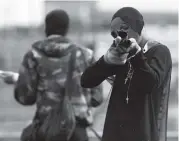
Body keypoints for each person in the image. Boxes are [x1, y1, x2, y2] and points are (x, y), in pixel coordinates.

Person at [3, 9, 103, 141]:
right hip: (77, 131)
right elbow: (97, 98)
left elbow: (25, 97)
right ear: (67, 28)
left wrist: (18, 80)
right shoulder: (86, 55)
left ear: (46, 28)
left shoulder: (33, 54)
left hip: (47, 130)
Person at [81, 7, 172, 141]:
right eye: (114, 34)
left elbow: (151, 84)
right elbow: (86, 80)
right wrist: (106, 61)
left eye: (123, 30)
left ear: (136, 27)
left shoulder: (159, 51)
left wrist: (136, 55)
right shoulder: (120, 53)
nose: (118, 36)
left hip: (142, 133)